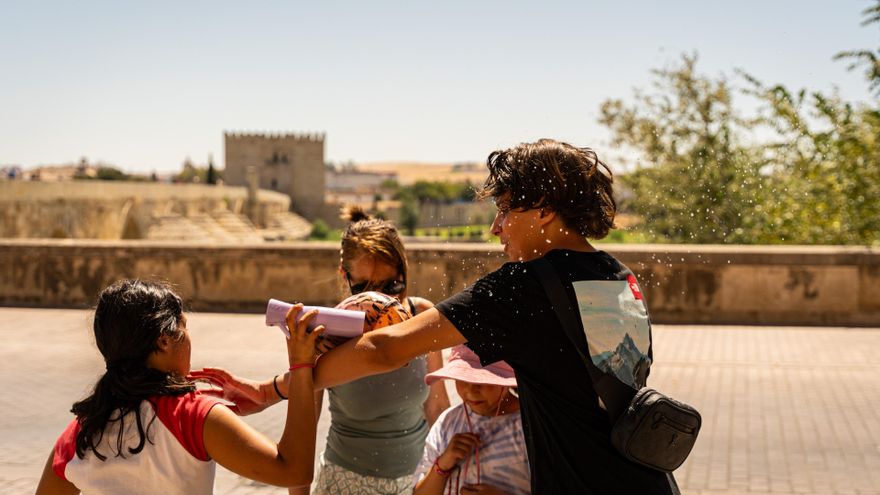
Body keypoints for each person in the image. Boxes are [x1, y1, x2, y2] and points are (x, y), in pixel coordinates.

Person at [212, 139, 678, 493]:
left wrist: (284, 379)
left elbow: (385, 349)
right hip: (645, 480)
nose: (495, 227)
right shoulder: (619, 276)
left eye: (503, 209)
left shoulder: (523, 286)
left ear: (545, 210)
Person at [191, 206, 450, 495]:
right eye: (364, 288)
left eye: (391, 286)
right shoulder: (325, 336)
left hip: (414, 484)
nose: (379, 300)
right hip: (347, 485)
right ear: (345, 277)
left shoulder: (421, 315)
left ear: (405, 272)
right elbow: (303, 435)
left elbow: (437, 409)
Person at [35, 279, 323, 495]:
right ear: (164, 340)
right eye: (184, 328)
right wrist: (301, 366)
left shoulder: (84, 428)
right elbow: (293, 469)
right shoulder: (194, 415)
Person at [412, 345, 530, 495]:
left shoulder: (528, 428)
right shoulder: (448, 422)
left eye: (480, 382)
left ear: (504, 380)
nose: (470, 390)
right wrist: (442, 465)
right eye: (462, 380)